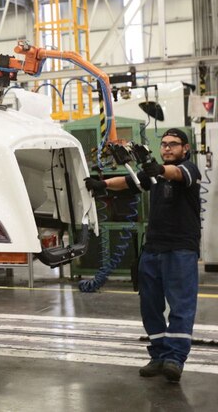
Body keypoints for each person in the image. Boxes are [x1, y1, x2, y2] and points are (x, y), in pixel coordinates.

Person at [84, 128, 201, 383]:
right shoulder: (152, 174)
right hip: (153, 249)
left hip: (180, 249)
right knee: (149, 306)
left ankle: (174, 359)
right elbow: (128, 182)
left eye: (174, 144)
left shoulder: (190, 169)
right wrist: (101, 184)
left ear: (185, 149)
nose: (168, 148)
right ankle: (158, 355)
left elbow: (176, 173)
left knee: (181, 306)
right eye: (165, 144)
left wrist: (158, 169)